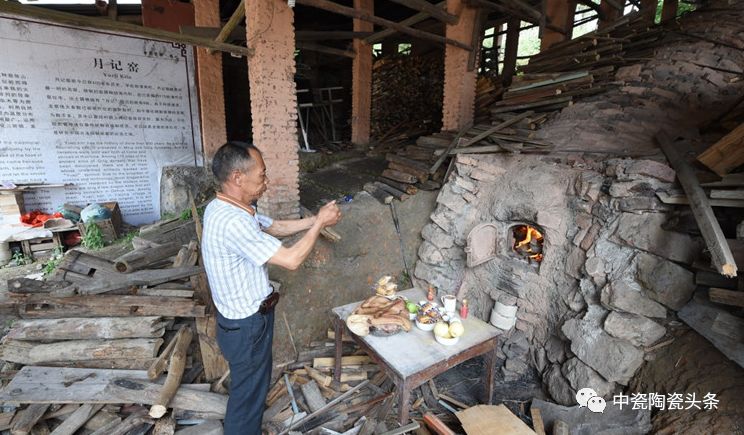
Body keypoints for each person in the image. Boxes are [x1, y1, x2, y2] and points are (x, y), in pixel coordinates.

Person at [201, 142, 341, 435]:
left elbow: (274, 226)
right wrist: (319, 227)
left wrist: (315, 218)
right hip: (247, 327)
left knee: (250, 390)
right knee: (246, 400)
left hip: (243, 324)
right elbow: (290, 260)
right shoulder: (233, 222)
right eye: (262, 175)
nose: (266, 182)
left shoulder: (227, 207)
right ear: (238, 178)